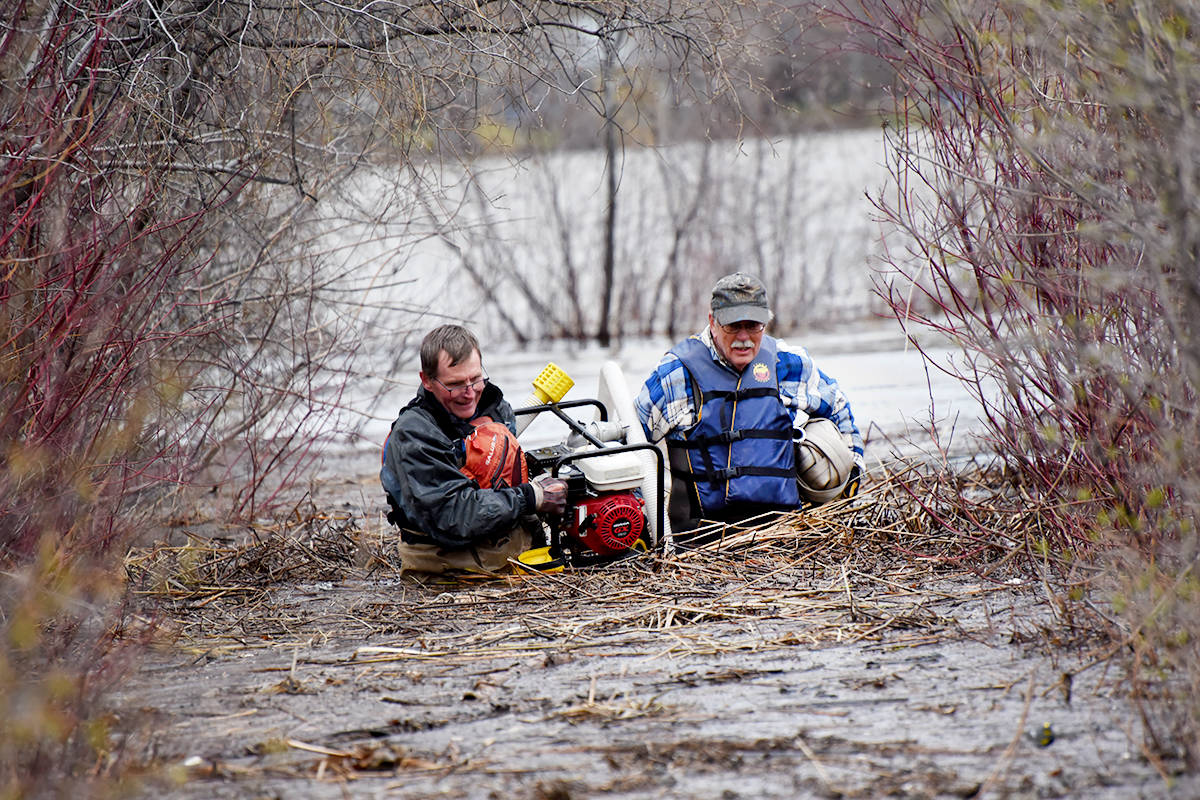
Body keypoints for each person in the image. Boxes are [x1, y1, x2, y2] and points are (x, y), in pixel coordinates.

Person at [636, 272, 864, 531]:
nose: (744, 337)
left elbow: (838, 408)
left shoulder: (789, 363)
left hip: (784, 533)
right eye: (733, 326)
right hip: (700, 542)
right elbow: (631, 444)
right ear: (713, 321)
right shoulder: (676, 375)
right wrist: (640, 515)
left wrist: (853, 471)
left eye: (753, 325)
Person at [380, 324, 567, 573]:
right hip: (452, 567)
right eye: (455, 384)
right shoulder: (414, 436)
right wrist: (532, 497)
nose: (469, 393)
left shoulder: (491, 406)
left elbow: (505, 474)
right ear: (427, 380)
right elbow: (452, 516)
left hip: (511, 551)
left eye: (476, 379)